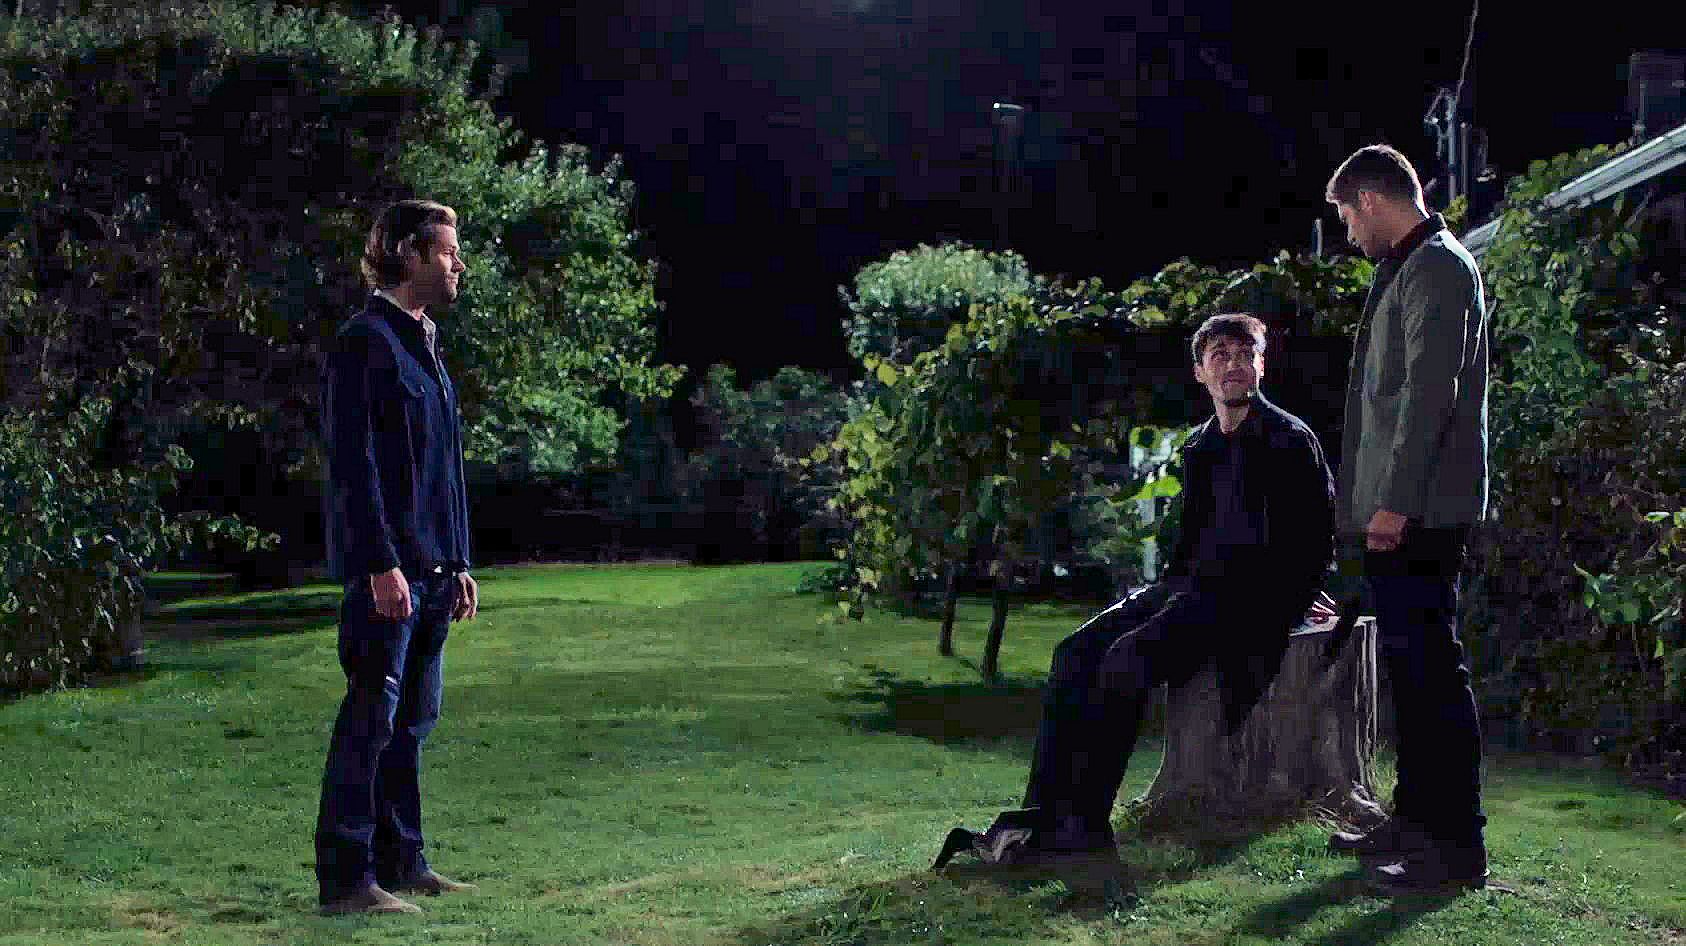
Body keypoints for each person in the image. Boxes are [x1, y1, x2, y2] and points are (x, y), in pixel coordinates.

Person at [935, 313, 1336, 885]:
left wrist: (1297, 600)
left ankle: (1086, 833)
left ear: (1261, 365)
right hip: (1189, 587)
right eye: (1219, 355)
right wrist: (1161, 596)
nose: (1233, 364)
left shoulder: (1290, 440)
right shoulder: (1201, 446)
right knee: (1074, 653)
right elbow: (1189, 544)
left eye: (1244, 353)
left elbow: (1316, 540)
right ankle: (1043, 820)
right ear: (1200, 372)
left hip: (1248, 602)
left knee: (1127, 660)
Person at [1323, 144, 1491, 894]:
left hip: (1421, 511)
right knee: (1412, 674)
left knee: (1431, 677)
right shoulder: (1412, 266)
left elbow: (1429, 393)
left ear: (1370, 199)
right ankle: (1416, 824)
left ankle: (1454, 850)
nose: (1349, 234)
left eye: (1346, 218)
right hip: (1404, 509)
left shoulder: (1438, 268)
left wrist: (1393, 502)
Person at [315, 199, 480, 915]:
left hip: (434, 573)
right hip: (390, 577)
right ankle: (346, 881)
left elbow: (444, 469)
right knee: (369, 726)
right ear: (409, 254)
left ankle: (404, 864)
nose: (458, 263)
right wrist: (379, 563)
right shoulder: (366, 342)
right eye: (447, 251)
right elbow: (353, 466)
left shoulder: (427, 344)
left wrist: (460, 560)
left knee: (410, 727)